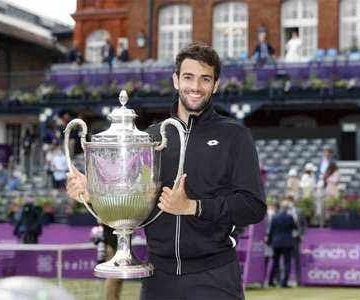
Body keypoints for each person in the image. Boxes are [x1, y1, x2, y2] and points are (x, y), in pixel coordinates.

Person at [66, 42, 267, 300]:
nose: (195, 86)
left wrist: (193, 206)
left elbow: (253, 206)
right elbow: (134, 204)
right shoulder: (150, 139)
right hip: (158, 278)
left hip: (215, 276)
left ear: (215, 85)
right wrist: (94, 192)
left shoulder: (234, 136)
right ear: (175, 80)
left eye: (205, 79)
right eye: (188, 77)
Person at [267, 200, 297, 288]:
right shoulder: (290, 217)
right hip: (287, 242)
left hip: (276, 242)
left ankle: (271, 281)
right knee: (287, 262)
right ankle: (284, 282)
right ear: (287, 209)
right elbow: (295, 228)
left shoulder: (275, 217)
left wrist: (269, 241)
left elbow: (271, 230)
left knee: (275, 262)